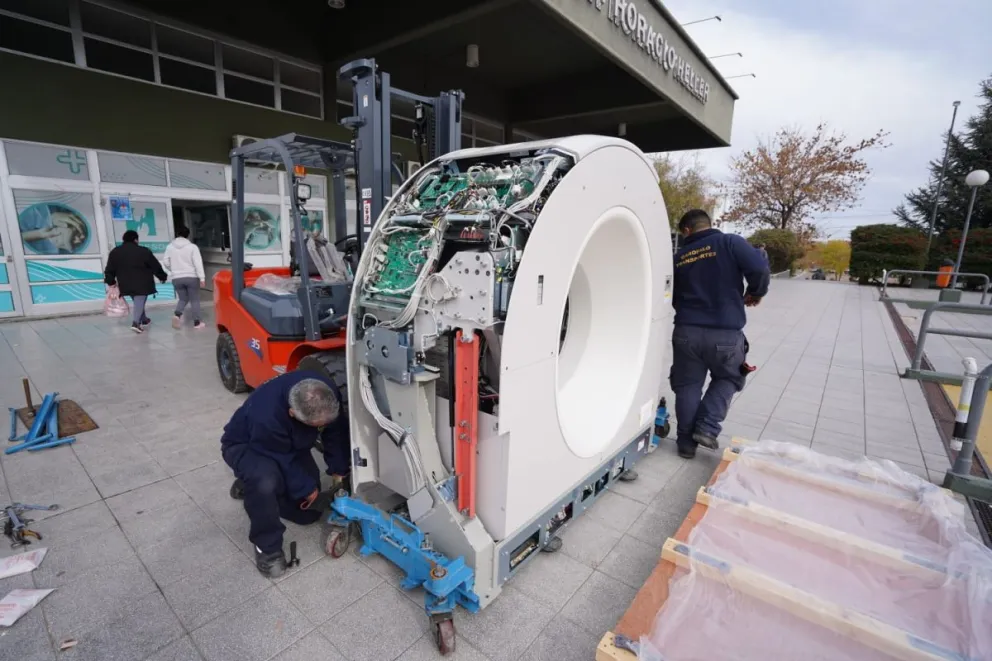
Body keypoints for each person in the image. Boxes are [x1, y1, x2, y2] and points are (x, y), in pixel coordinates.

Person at [221, 371, 351, 577]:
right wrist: (308, 490)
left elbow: (335, 431)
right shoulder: (265, 415)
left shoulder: (324, 390)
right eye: (316, 426)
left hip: (289, 444)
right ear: (293, 413)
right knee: (265, 481)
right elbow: (281, 459)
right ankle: (267, 547)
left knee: (309, 514)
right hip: (248, 445)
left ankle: (252, 490)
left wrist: (339, 471)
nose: (321, 428)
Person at [670, 209, 770, 459]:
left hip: (686, 332)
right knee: (729, 378)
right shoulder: (729, 242)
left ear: (686, 231)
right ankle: (707, 427)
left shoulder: (678, 257)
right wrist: (756, 292)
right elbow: (759, 267)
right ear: (709, 224)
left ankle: (685, 443)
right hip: (724, 334)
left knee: (688, 386)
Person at [104, 230, 167, 334]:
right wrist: (162, 276)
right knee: (139, 300)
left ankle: (144, 319)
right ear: (136, 240)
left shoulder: (115, 252)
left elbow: (109, 268)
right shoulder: (143, 251)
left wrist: (110, 281)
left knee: (138, 301)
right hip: (143, 282)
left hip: (125, 283)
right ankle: (136, 323)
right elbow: (155, 265)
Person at [162, 226, 206, 329]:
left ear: (177, 234)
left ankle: (177, 314)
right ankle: (197, 322)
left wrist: (172, 270)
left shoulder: (170, 247)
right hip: (191, 277)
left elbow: (165, 261)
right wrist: (202, 278)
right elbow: (198, 263)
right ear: (188, 235)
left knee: (182, 298)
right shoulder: (192, 247)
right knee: (194, 300)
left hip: (177, 277)